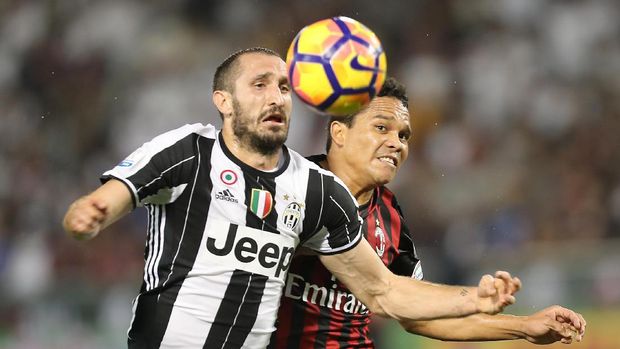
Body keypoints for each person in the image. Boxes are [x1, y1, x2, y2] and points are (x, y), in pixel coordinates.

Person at [63, 47, 521, 349]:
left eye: (284, 87)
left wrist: (474, 301)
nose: (276, 97)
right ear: (223, 100)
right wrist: (95, 210)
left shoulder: (318, 191)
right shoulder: (190, 150)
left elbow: (384, 291)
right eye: (259, 85)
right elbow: (118, 192)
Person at [272, 77, 586, 348]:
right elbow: (386, 294)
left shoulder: (389, 215)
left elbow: (416, 315)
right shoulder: (291, 186)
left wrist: (523, 326)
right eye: (381, 127)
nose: (396, 144)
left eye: (403, 135)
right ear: (339, 133)